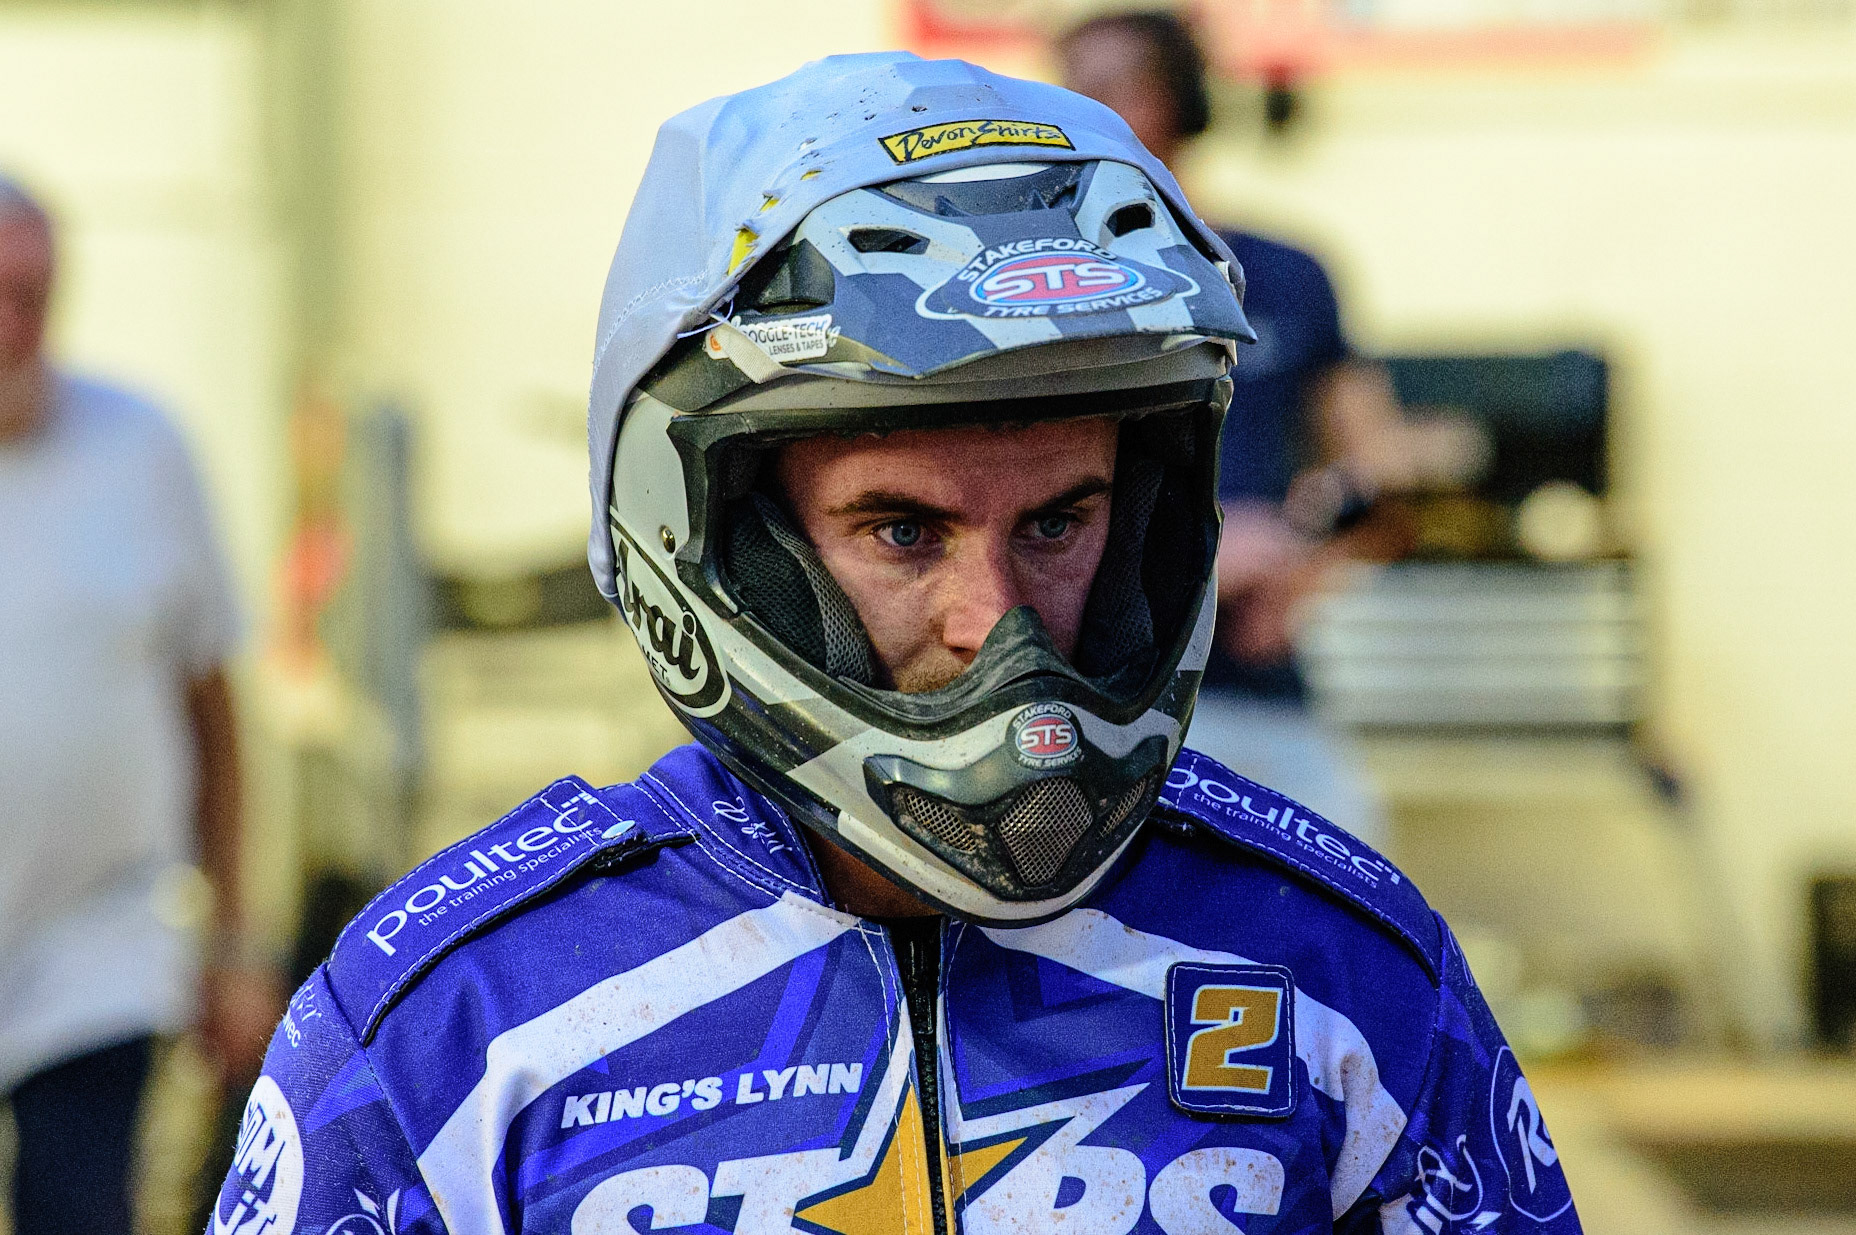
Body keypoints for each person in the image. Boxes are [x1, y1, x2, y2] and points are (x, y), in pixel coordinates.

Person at [211, 54, 1578, 1233]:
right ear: (719, 536)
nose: (999, 618)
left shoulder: (1336, 966)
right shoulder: (462, 1012)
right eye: (904, 531)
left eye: (1060, 519)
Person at [1059, 12, 1471, 844]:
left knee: (1353, 897)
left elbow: (1384, 480)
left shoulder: (1284, 275)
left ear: (1177, 102)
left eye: (1107, 90)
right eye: (1068, 93)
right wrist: (1200, 568)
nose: (1081, 118)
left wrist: (1302, 565)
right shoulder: (1037, 286)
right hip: (1091, 697)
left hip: (1258, 690)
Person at [0, 174, 279, 1232]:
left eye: (35, 293)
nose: (15, 326)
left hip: (94, 941)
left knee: (79, 1206)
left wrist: (236, 943)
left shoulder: (140, 445)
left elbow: (212, 706)